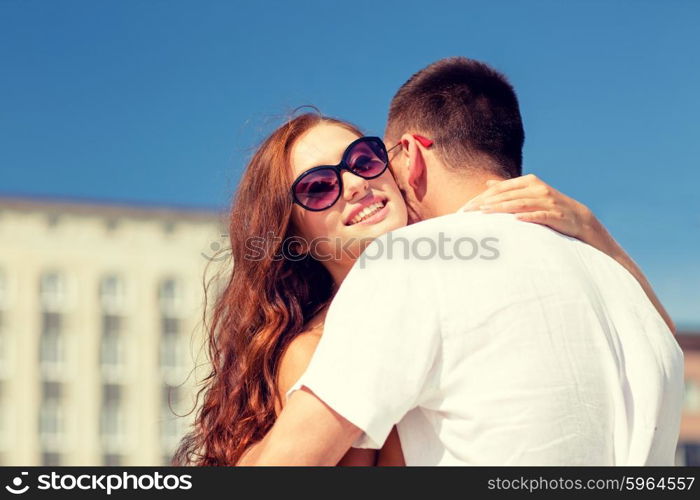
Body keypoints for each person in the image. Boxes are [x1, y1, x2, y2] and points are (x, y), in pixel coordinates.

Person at [238, 57, 684, 466]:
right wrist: (594, 231)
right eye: (318, 187)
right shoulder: (629, 294)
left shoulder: (408, 271)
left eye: (367, 159)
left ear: (406, 158)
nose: (355, 183)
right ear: (291, 233)